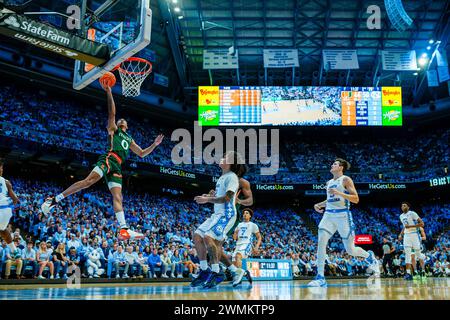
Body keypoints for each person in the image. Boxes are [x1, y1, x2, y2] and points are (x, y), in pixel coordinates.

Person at [41, 86, 164, 240]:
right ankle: (54, 200)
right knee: (88, 182)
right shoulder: (114, 129)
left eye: (123, 120)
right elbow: (112, 113)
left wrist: (154, 144)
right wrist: (109, 92)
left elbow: (141, 153)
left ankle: (124, 229)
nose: (121, 120)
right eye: (120, 120)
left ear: (126, 125)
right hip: (109, 158)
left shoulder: (129, 138)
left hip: (117, 165)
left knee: (118, 197)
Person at [308, 158, 379, 287]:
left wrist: (339, 192)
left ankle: (368, 255)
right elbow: (330, 199)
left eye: (334, 164)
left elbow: (356, 199)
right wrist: (319, 204)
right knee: (321, 242)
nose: (331, 165)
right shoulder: (328, 182)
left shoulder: (346, 180)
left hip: (343, 215)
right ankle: (320, 277)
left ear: (341, 167)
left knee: (350, 250)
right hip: (329, 214)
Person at [191, 151, 244, 288]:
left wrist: (207, 199)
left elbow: (227, 198)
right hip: (217, 214)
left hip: (227, 214)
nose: (221, 158)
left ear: (230, 162)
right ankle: (204, 270)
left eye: (224, 157)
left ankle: (217, 272)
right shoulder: (222, 177)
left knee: (209, 237)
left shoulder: (232, 177)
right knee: (197, 236)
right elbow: (220, 196)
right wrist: (210, 195)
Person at [231, 208, 261, 287]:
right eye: (244, 213)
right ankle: (244, 273)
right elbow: (234, 237)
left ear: (250, 216)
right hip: (238, 244)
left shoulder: (253, 225)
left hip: (247, 244)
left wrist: (256, 246)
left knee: (238, 256)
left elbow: (259, 237)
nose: (245, 214)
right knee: (234, 263)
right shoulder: (239, 224)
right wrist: (235, 233)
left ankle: (238, 278)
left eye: (247, 213)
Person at [0, 160, 21, 262]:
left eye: (2, 167)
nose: (2, 170)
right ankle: (14, 250)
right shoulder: (6, 182)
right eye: (1, 168)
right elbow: (16, 200)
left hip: (1, 208)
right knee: (3, 230)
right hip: (6, 210)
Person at [398, 202, 424, 281]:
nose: (403, 207)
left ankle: (423, 271)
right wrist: (400, 234)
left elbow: (422, 223)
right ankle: (408, 273)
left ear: (408, 207)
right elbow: (404, 227)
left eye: (404, 205)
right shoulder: (401, 216)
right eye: (402, 205)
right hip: (406, 236)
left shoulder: (412, 213)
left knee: (418, 254)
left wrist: (410, 226)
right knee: (407, 255)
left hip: (414, 235)